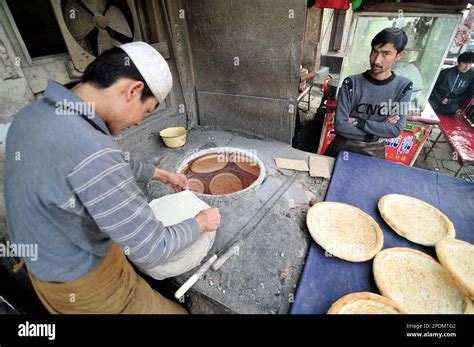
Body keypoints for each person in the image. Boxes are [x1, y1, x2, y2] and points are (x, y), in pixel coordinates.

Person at [4, 42, 221, 314]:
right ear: (133, 90)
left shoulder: (33, 116)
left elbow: (92, 165)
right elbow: (154, 247)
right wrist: (202, 221)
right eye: (147, 111)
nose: (140, 122)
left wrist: (159, 174)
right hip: (89, 288)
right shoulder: (93, 150)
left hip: (47, 273)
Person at [324, 27, 413, 159]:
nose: (376, 60)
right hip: (343, 148)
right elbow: (340, 126)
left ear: (399, 55)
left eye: (386, 53)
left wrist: (357, 121)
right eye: (374, 52)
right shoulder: (351, 84)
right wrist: (379, 130)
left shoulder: (404, 87)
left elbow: (395, 130)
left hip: (374, 152)